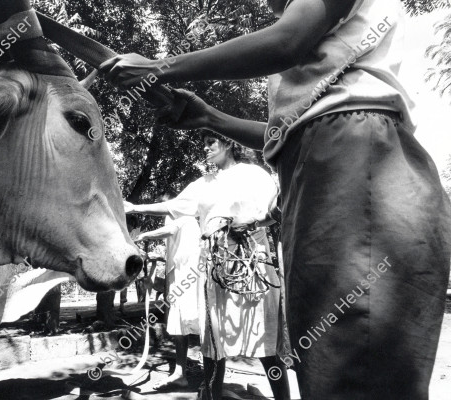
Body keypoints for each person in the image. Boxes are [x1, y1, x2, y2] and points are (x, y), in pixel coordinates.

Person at [99, 0, 451, 399]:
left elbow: (287, 42)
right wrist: (209, 117)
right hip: (323, 170)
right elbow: (286, 128)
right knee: (330, 368)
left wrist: (157, 67)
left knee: (356, 373)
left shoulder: (308, 33)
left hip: (357, 162)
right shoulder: (333, 48)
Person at [124, 133, 290, 400]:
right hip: (215, 271)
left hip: (253, 270)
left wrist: (253, 222)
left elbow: (278, 209)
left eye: (210, 143)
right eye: (204, 143)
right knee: (213, 345)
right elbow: (172, 206)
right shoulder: (203, 184)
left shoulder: (254, 174)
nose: (205, 148)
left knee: (266, 343)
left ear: (228, 144)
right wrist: (134, 208)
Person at [134, 206, 202, 391]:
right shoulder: (179, 231)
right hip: (180, 278)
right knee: (179, 326)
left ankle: (212, 381)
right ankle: (180, 374)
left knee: (203, 323)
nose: (164, 217)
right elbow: (172, 258)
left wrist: (143, 235)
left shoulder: (186, 218)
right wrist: (151, 277)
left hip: (193, 277)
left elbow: (169, 230)